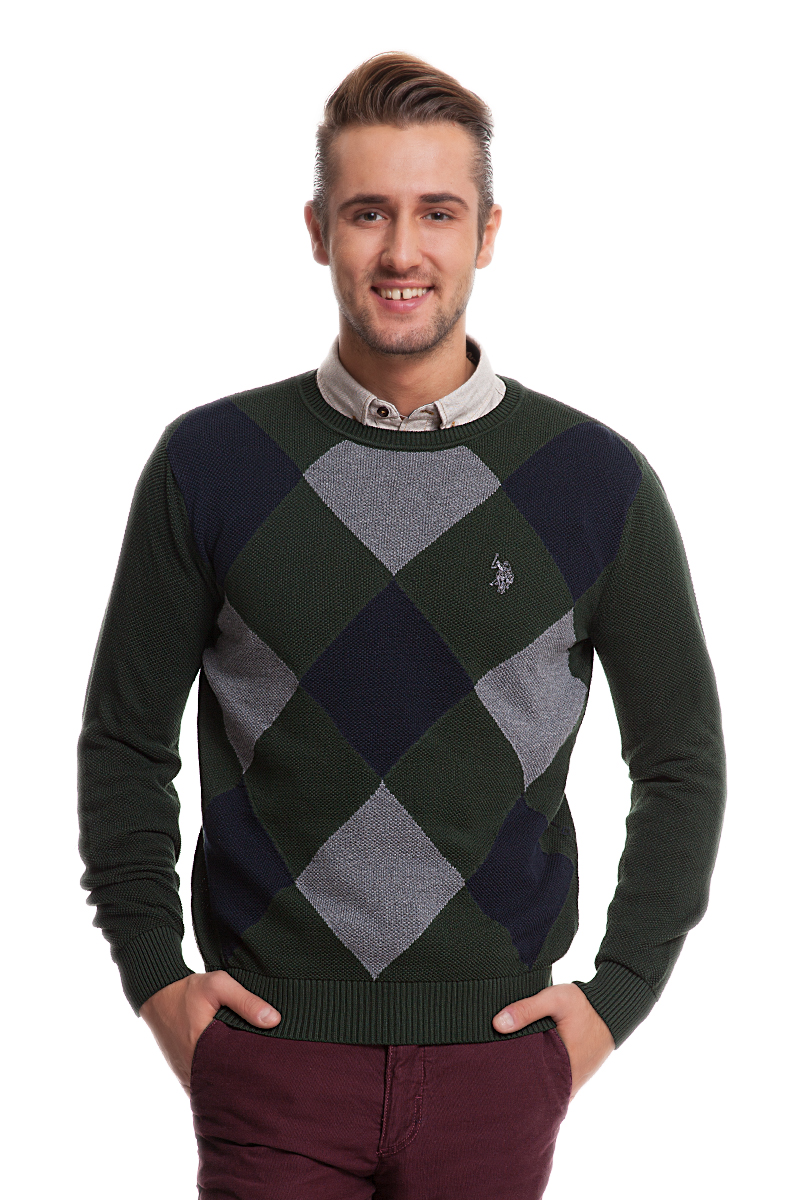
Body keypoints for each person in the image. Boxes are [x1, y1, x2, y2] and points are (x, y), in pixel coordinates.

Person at [78, 52, 726, 1200]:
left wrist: (614, 997)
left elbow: (678, 759)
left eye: (437, 213)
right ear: (318, 230)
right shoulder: (212, 465)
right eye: (368, 212)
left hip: (495, 1065)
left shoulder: (594, 482)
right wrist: (156, 983)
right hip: (271, 1056)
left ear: (486, 235)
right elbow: (124, 743)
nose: (400, 252)